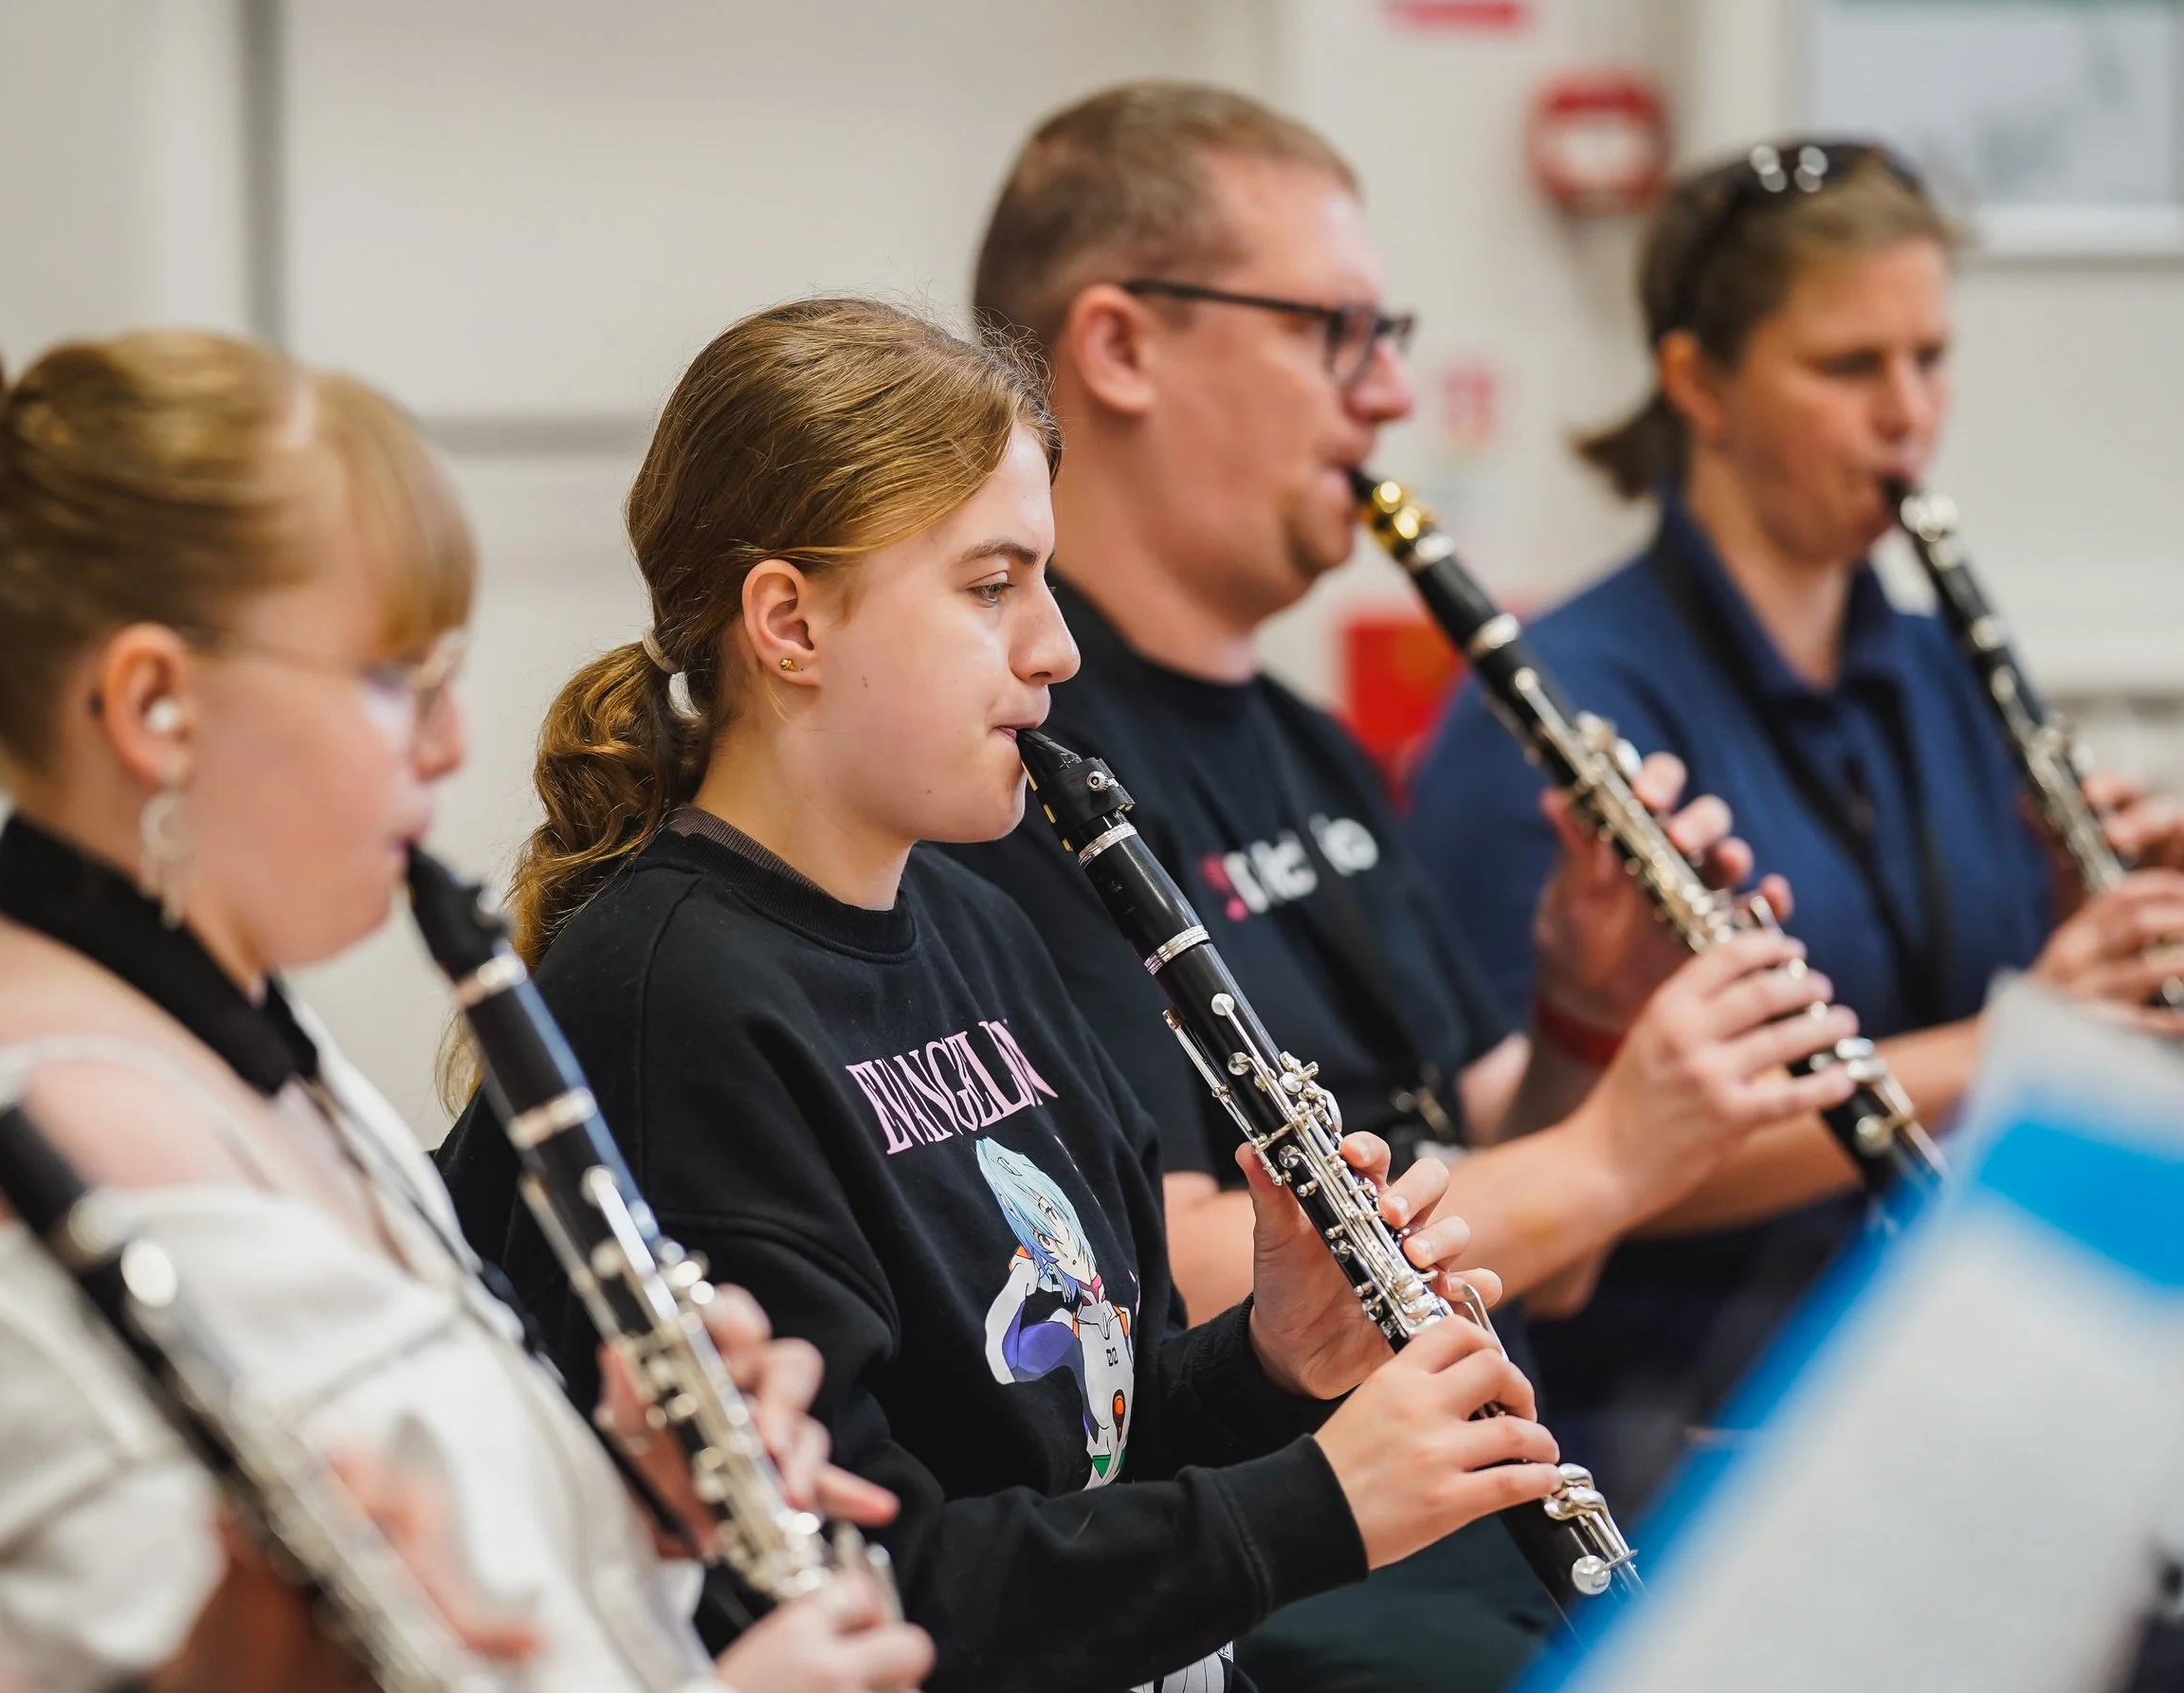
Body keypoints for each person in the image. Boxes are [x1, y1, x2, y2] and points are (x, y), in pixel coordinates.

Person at [437, 296, 1570, 1693]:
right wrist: (1317, 1503)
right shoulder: (673, 1007)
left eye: (1044, 579)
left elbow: (1088, 1439)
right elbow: (867, 1591)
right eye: (991, 586)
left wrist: (1271, 1362)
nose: (1056, 648)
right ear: (788, 620)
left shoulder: (978, 927)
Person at [0, 328, 931, 1693]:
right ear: (156, 704)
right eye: (399, 676)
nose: (453, 740)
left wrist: (628, 1496)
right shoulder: (86, 1134)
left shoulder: (233, 1038)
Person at [945, 83, 1872, 1692]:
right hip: (1282, 1578)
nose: (1385, 397)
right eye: (1337, 333)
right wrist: (1614, 1147)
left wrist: (1588, 1019)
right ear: (1122, 348)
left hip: (1473, 1515)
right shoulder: (1003, 764)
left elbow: (1544, 1245)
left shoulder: (1307, 743)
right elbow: (1148, 1270)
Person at [1408, 138, 2184, 1513]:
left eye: (1929, 358)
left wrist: (2092, 920)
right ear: (1699, 382)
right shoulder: (1564, 711)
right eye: (1849, 368)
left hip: (1958, 1360)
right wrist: (2019, 1038)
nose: (1909, 415)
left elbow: (1976, 982)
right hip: (1687, 1423)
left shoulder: (1934, 665)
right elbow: (1594, 1160)